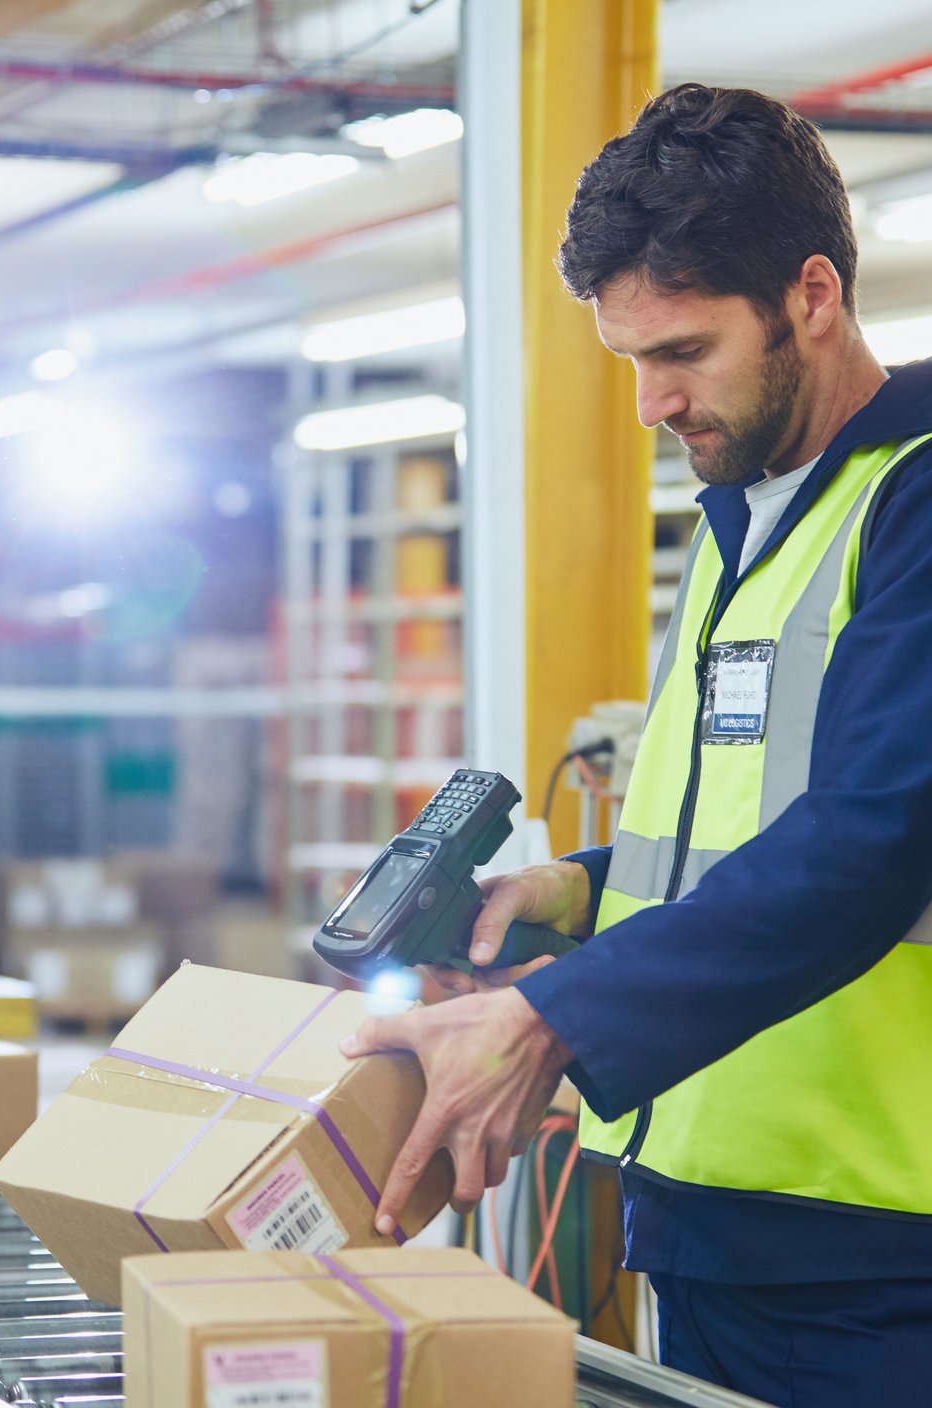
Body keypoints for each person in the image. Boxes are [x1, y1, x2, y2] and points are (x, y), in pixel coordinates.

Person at [343, 84, 932, 1407]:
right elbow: (741, 833)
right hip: (710, 1224)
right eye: (630, 363)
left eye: (684, 351)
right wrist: (571, 892)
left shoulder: (915, 509)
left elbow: (876, 842)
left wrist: (555, 1018)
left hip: (881, 1259)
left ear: (814, 296)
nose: (655, 404)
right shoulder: (746, 527)